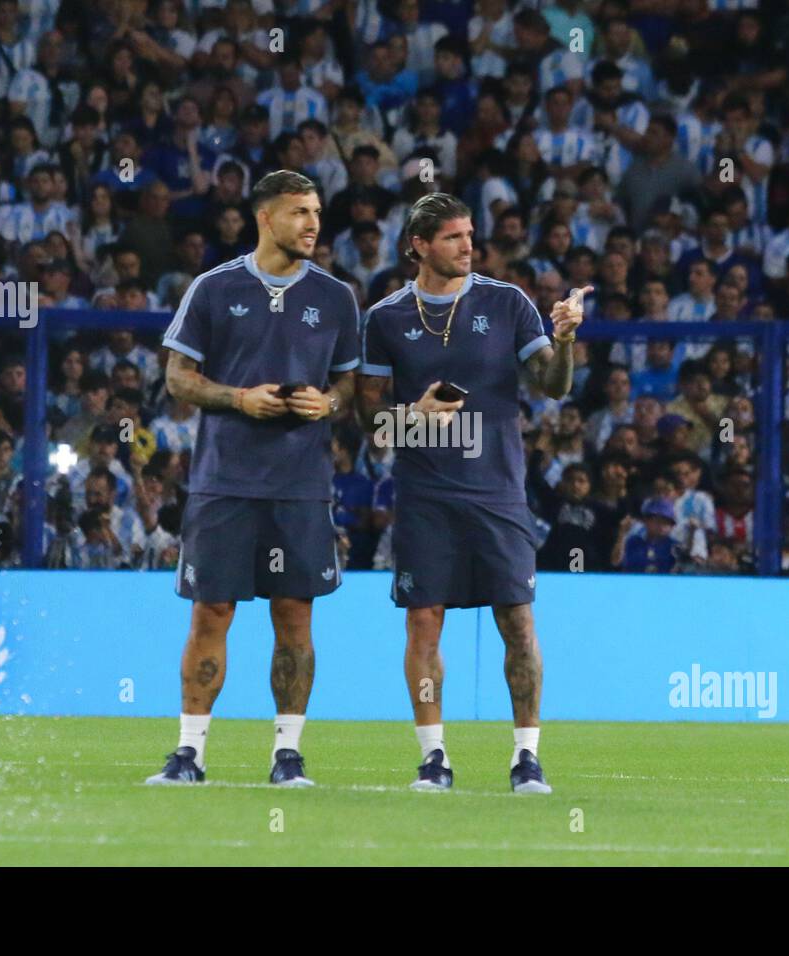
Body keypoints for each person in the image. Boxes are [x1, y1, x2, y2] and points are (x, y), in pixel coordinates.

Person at [358, 191, 590, 794]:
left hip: (498, 495)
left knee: (517, 621)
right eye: (454, 237)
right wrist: (416, 416)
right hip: (425, 498)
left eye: (470, 235)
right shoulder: (385, 319)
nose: (469, 246)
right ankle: (434, 758)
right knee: (424, 625)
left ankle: (526, 757)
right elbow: (369, 423)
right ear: (419, 246)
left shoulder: (507, 303)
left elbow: (554, 388)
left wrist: (563, 339)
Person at [146, 170, 360, 787]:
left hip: (301, 483)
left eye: (317, 211)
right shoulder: (213, 288)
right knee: (212, 612)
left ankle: (287, 755)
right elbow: (178, 378)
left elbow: (350, 386)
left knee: (295, 614)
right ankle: (189, 753)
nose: (313, 223)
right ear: (265, 219)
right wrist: (239, 399)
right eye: (299, 212)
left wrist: (330, 404)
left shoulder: (336, 296)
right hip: (224, 481)